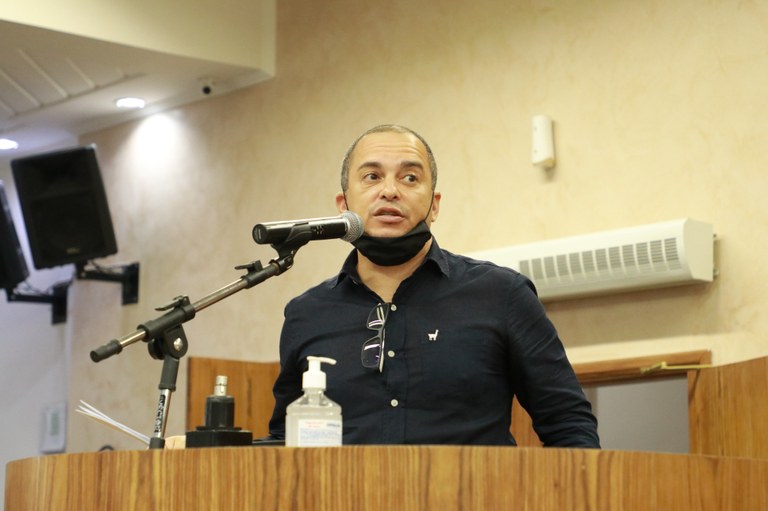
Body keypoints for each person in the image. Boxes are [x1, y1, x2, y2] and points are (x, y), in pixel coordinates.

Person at [268, 124, 600, 447]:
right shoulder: (306, 314)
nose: (389, 191)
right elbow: (284, 444)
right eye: (372, 176)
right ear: (343, 205)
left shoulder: (502, 294)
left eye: (410, 178)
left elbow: (569, 425)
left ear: (435, 205)